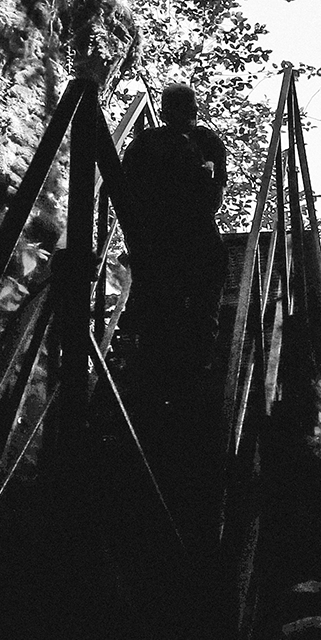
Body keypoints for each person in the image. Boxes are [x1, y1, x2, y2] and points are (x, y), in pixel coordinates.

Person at [119, 81, 229, 414]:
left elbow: (214, 198)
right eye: (182, 107)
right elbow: (129, 194)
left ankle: (189, 383)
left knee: (196, 312)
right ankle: (159, 387)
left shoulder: (207, 142)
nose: (191, 113)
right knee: (161, 315)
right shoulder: (147, 143)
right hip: (164, 245)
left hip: (192, 243)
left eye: (192, 107)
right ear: (167, 112)